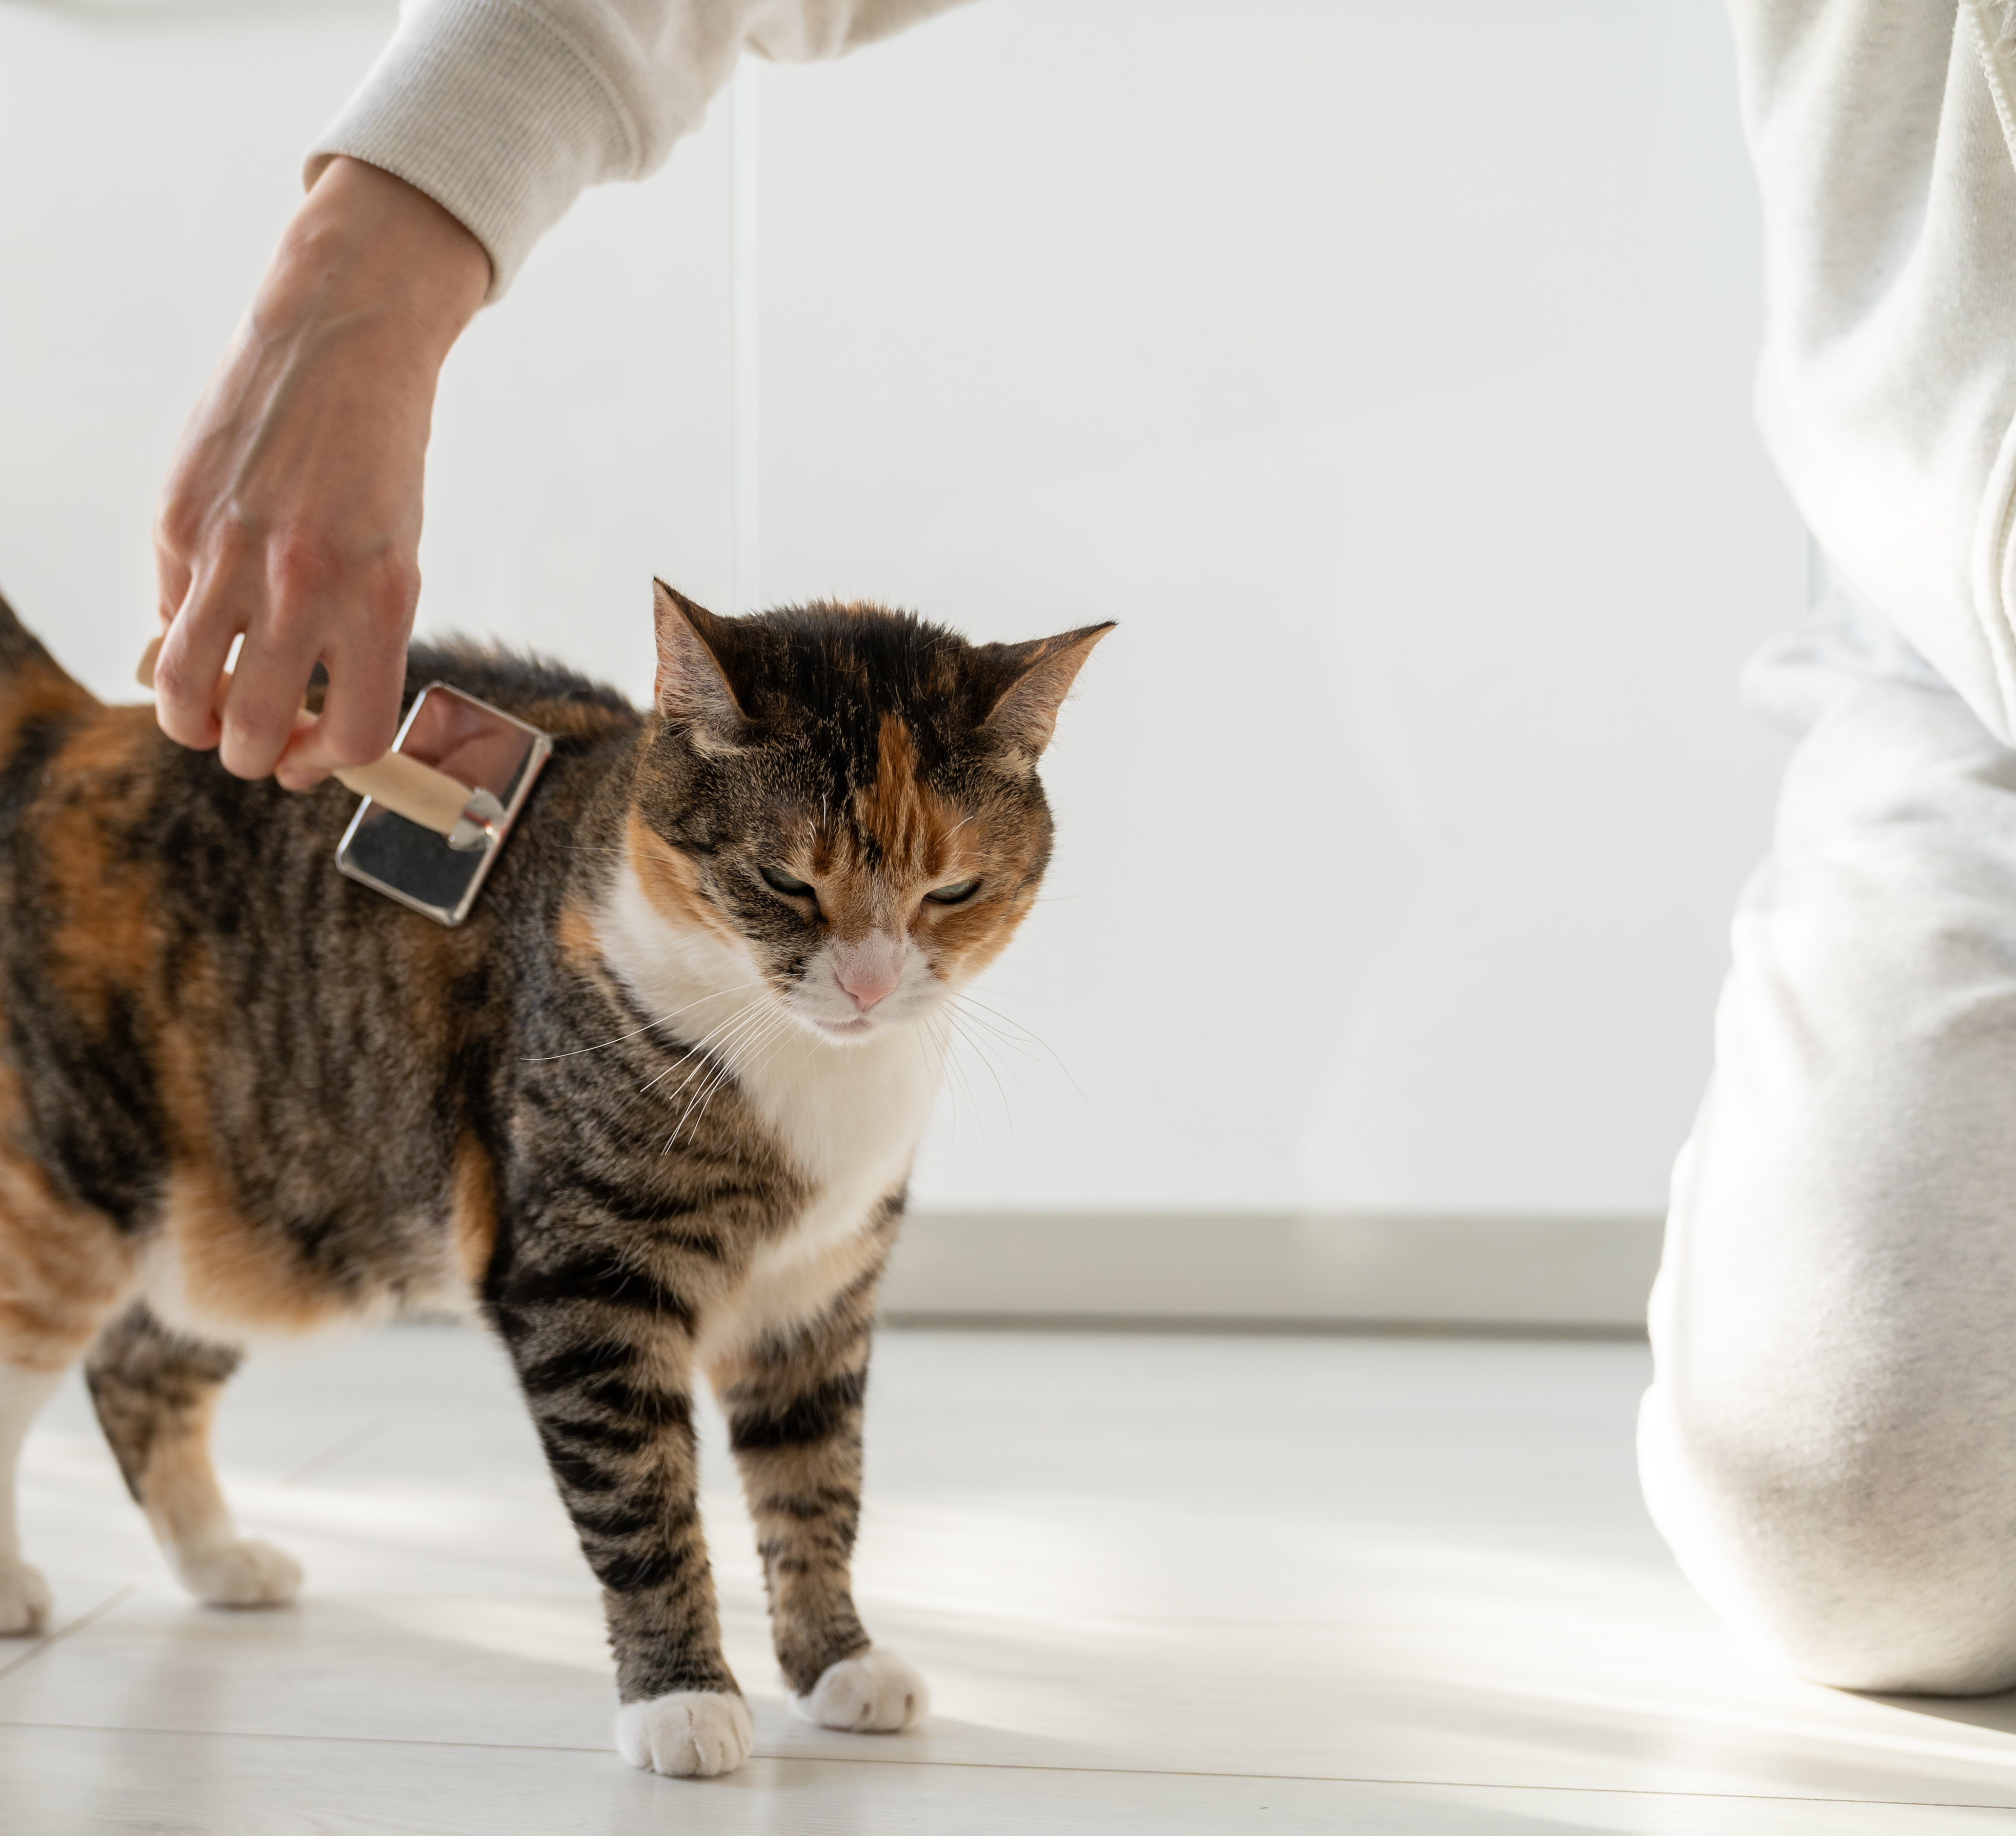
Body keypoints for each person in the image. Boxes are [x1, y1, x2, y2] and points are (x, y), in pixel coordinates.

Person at [149, 0, 2016, 1697]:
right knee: (1859, 1516)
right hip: (1955, 634)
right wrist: (383, 244)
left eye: (942, 899)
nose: (882, 962)